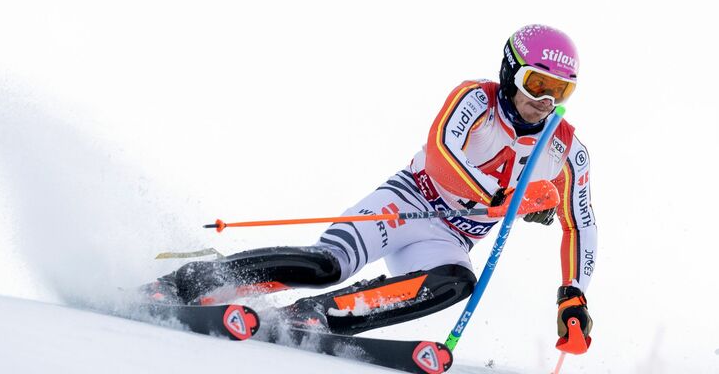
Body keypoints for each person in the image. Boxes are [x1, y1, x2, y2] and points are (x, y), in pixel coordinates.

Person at [142, 24, 597, 343]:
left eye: (560, 92)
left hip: (452, 236)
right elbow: (441, 154)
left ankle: (320, 315)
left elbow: (579, 224)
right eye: (538, 84)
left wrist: (572, 296)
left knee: (458, 281)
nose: (545, 102)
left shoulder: (567, 150)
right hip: (407, 202)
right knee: (329, 264)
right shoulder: (476, 99)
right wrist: (504, 199)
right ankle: (186, 282)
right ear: (510, 71)